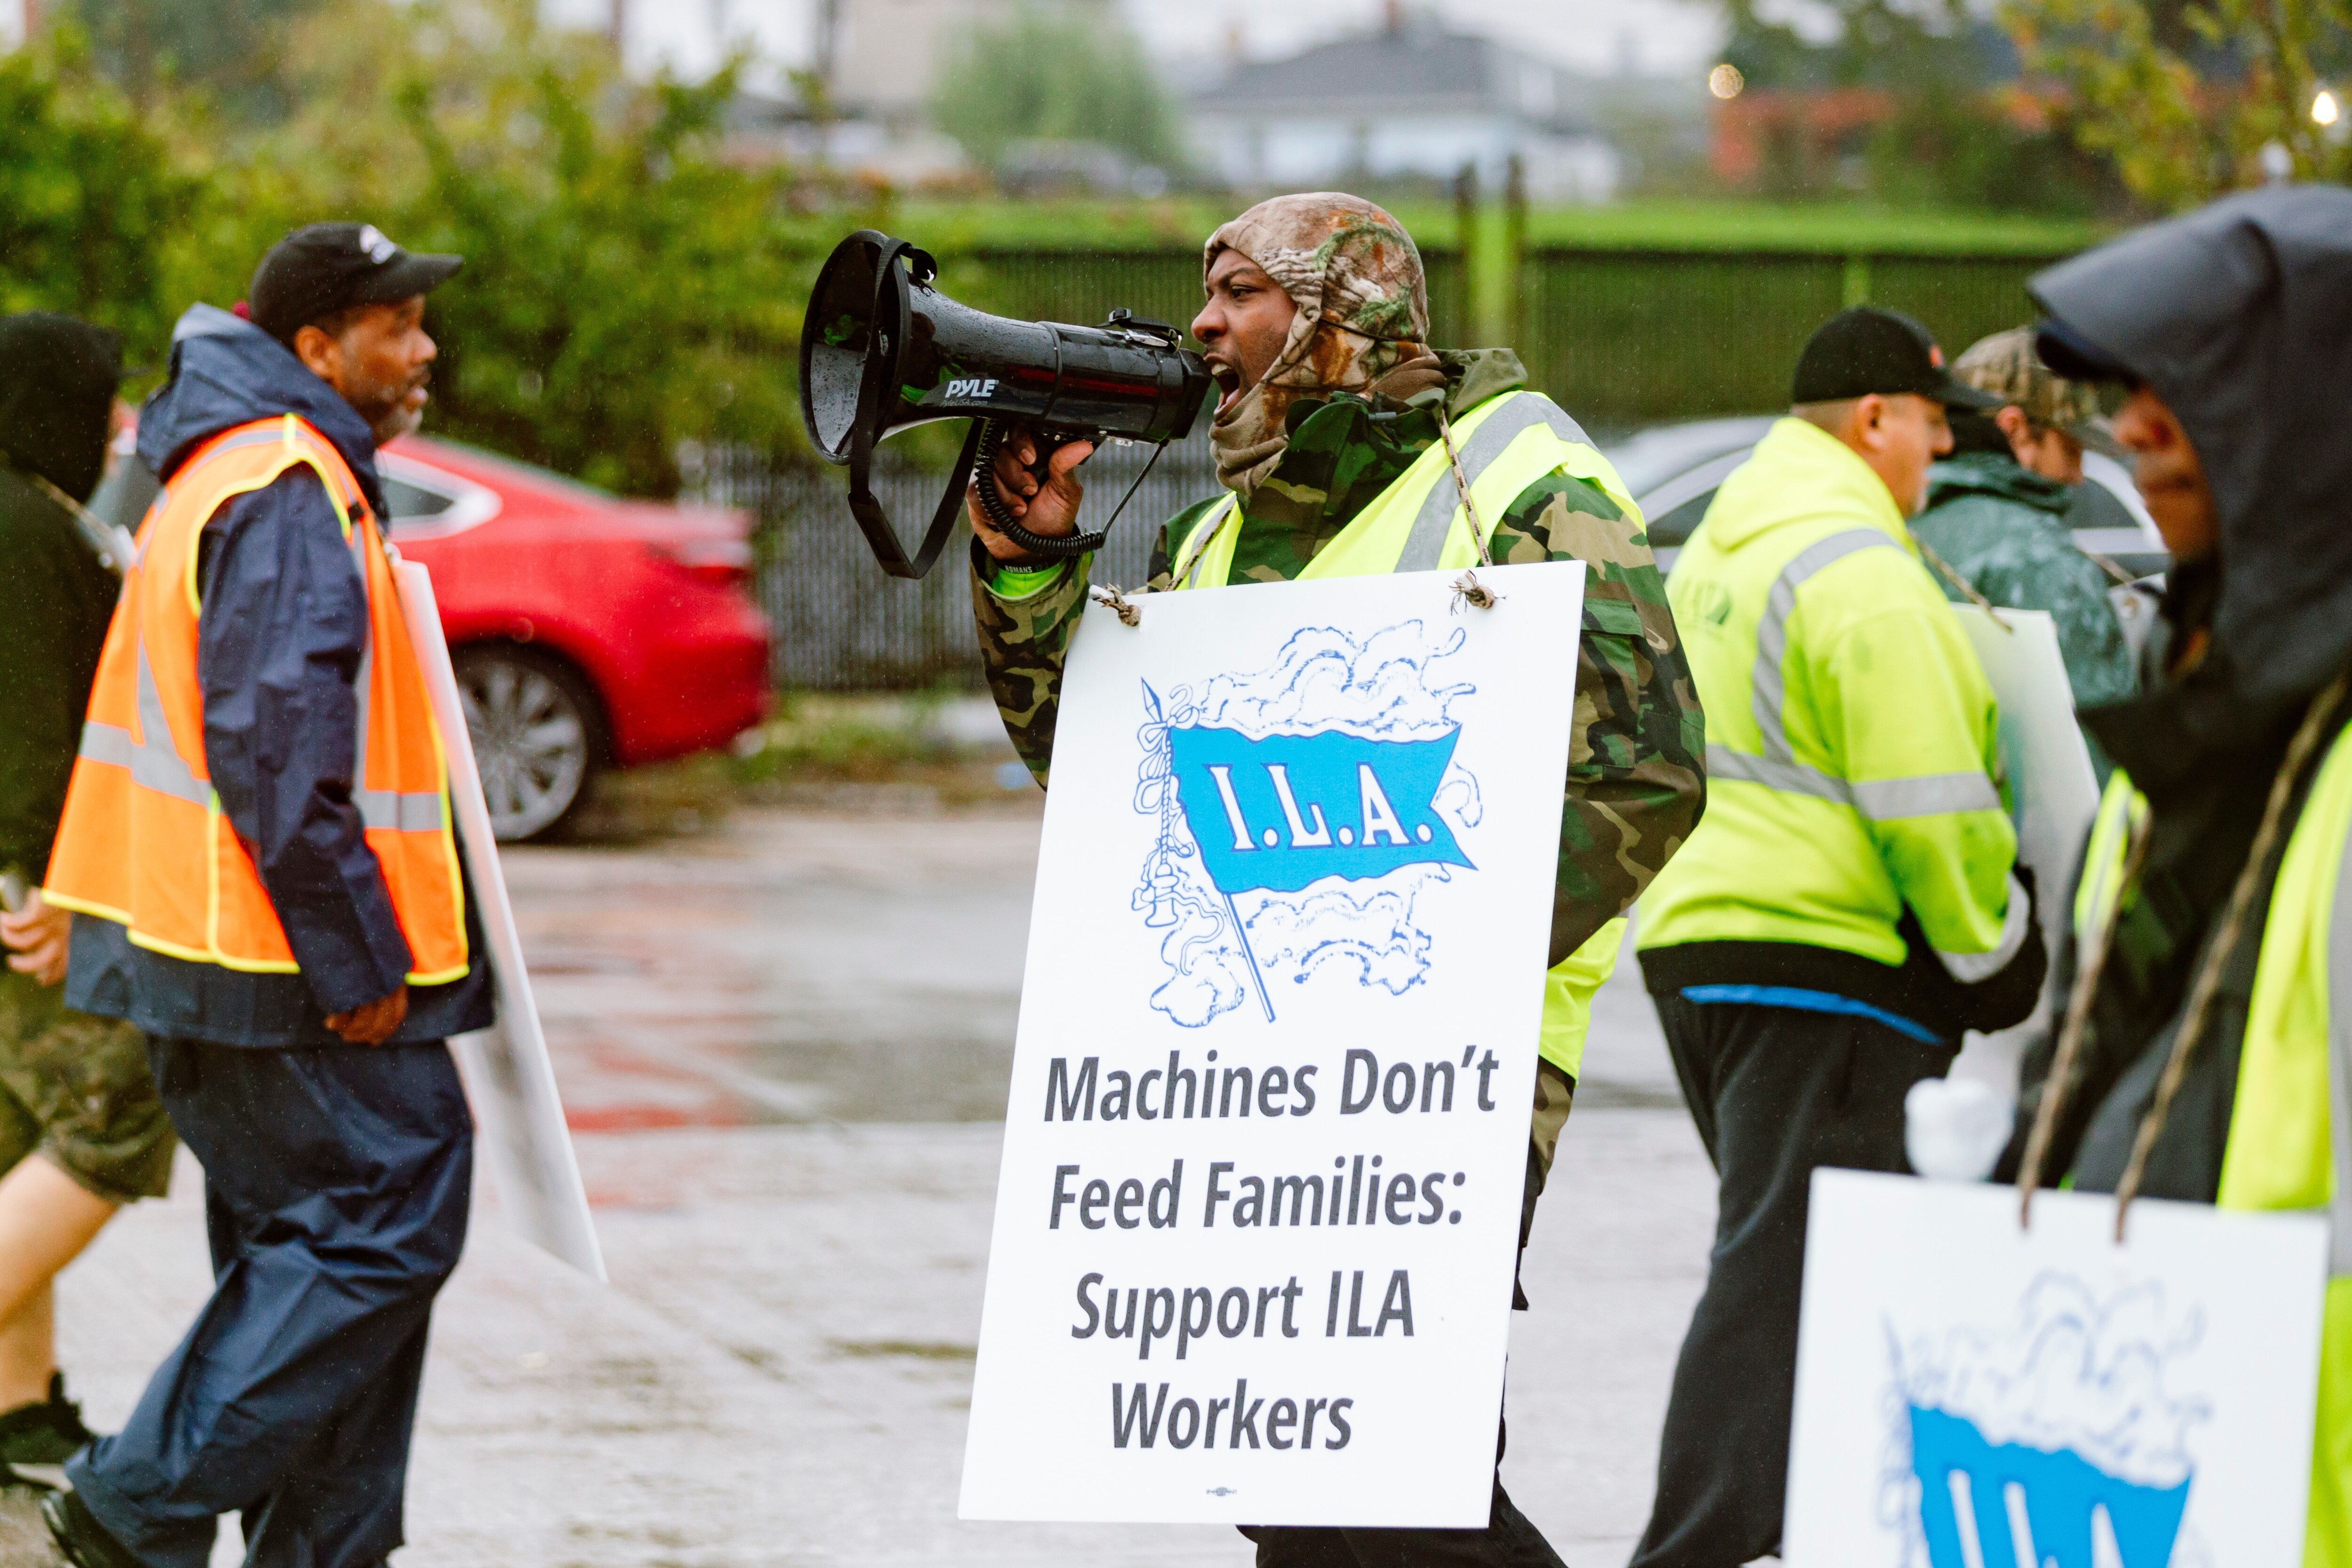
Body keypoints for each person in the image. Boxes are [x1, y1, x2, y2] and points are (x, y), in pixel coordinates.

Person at [967, 191, 1706, 1567]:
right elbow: (1113, 791)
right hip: (1252, 1076)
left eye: (1238, 288)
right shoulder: (1217, 541)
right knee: (1277, 1470)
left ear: (1341, 316)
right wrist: (1027, 567)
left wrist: (1430, 973)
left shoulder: (1524, 483)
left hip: (1453, 1073)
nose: (1199, 321)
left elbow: (1647, 774)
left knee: (1375, 1481)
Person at [35, 223, 493, 1568]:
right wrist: (358, 963)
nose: (424, 351)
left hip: (214, 939)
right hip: (270, 954)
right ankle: (127, 1505)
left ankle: (322, 1552)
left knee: (317, 1261)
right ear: (315, 348)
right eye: (396, 326)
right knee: (393, 1208)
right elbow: (279, 754)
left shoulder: (244, 464)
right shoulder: (286, 479)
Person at [1630, 305, 2047, 1567]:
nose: (1935, 462)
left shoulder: (1722, 550)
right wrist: (1997, 949)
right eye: (1931, 430)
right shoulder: (1859, 570)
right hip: (1825, 961)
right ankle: (1690, 1549)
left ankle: (1814, 1532)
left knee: (1815, 1275)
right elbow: (1930, 797)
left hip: (1701, 944)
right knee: (1781, 1276)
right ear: (1877, 421)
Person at [2012, 184, 2352, 1568]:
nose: (2131, 426)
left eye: (2190, 392)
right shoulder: (2194, 705)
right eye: (2129, 388)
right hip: (2151, 1461)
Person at [0, 313, 179, 1471]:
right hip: (36, 896)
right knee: (112, 1115)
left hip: (24, 880)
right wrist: (43, 886)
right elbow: (24, 732)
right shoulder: (20, 528)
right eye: (101, 395)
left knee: (17, 1135)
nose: (117, 422)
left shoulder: (31, 515)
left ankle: (18, 1409)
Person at [1909, 326, 2136, 782]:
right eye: (2070, 448)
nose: (2077, 477)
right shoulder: (2040, 560)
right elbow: (2091, 769)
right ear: (2015, 431)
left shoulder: (1897, 530)